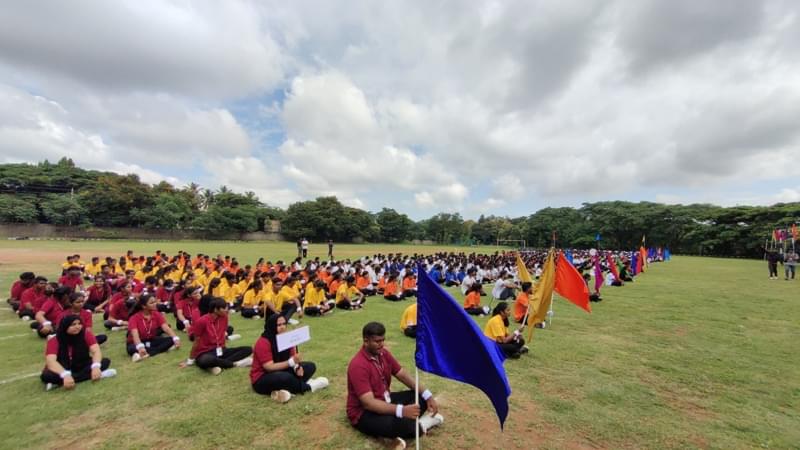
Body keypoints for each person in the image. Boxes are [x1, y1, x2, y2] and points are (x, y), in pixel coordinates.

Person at [346, 322, 443, 446]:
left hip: (384, 399)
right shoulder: (358, 365)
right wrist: (401, 410)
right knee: (403, 424)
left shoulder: (383, 354)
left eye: (383, 340)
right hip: (363, 413)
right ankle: (422, 424)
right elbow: (368, 403)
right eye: (377, 341)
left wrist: (427, 395)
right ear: (366, 341)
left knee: (420, 398)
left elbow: (402, 374)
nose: (381, 345)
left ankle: (396, 431)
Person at [250, 314, 329, 402]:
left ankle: (286, 389)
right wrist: (290, 363)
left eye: (284, 324)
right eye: (279, 325)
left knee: (310, 366)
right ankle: (309, 386)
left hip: (282, 370)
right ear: (272, 325)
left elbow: (292, 357)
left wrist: (296, 368)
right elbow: (269, 367)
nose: (283, 327)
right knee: (285, 378)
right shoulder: (263, 342)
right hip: (262, 378)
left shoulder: (286, 338)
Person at [41, 315, 116, 391]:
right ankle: (95, 375)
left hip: (81, 364)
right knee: (47, 376)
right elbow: (51, 361)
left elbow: (96, 351)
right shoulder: (54, 340)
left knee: (104, 361)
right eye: (73, 325)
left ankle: (62, 382)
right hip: (62, 367)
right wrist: (65, 375)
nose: (77, 327)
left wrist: (95, 367)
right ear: (65, 326)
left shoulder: (86, 334)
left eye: (79, 324)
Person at [187, 298, 252, 374]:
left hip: (221, 350)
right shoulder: (202, 321)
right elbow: (196, 342)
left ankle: (218, 365)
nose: (226, 310)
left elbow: (223, 333)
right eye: (224, 308)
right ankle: (235, 364)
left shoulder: (224, 317)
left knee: (248, 349)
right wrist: (190, 360)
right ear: (215, 310)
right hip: (205, 352)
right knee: (206, 360)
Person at [127, 294, 181, 362]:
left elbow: (166, 328)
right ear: (144, 306)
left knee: (171, 340)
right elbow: (135, 335)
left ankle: (147, 354)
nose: (155, 304)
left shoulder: (157, 314)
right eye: (151, 303)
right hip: (135, 342)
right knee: (132, 348)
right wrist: (140, 347)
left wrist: (175, 338)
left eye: (155, 302)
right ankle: (158, 350)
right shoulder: (134, 318)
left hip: (151, 340)